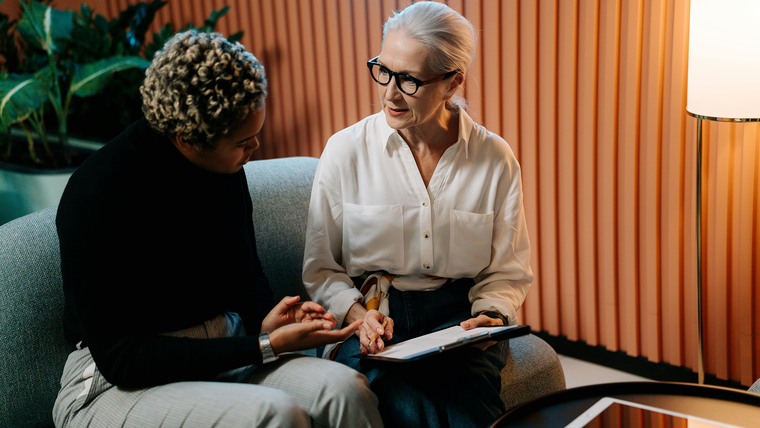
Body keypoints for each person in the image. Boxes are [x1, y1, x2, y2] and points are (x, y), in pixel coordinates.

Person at [53, 31, 382, 428]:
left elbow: (245, 273)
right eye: (244, 142)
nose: (256, 146)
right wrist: (261, 347)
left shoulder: (223, 166)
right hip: (116, 383)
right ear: (186, 140)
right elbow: (123, 358)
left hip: (226, 345)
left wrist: (266, 319)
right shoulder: (96, 195)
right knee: (275, 416)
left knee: (344, 390)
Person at [302, 2, 533, 427]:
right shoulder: (345, 151)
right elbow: (321, 270)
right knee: (405, 400)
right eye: (384, 70)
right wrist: (357, 315)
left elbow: (507, 272)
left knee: (471, 409)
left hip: (458, 315)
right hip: (375, 311)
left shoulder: (494, 159)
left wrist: (493, 315)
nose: (390, 92)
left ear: (452, 83)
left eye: (408, 79)